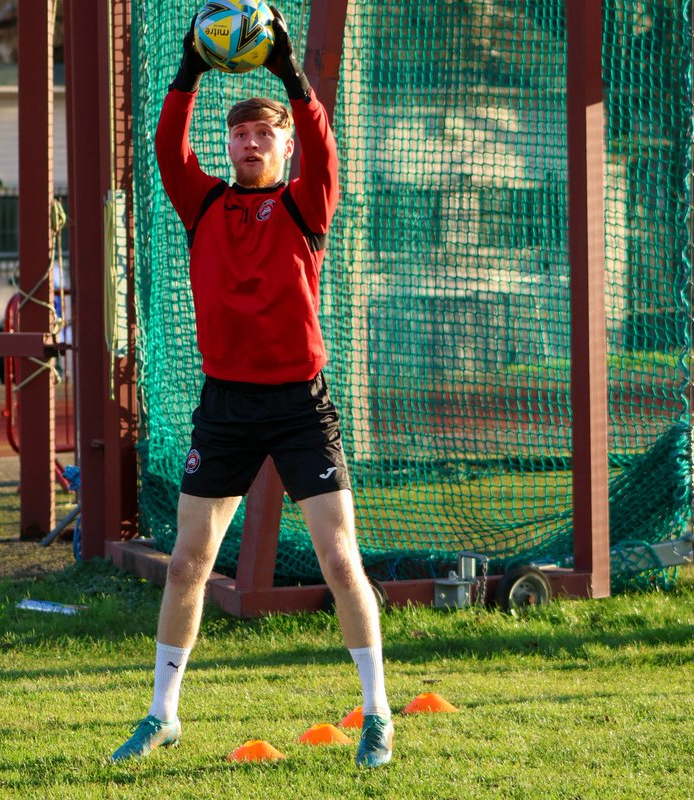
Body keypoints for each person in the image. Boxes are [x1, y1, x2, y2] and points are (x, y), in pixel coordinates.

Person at [110, 11, 393, 769]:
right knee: (186, 562)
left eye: (264, 133)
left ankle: (376, 714)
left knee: (339, 560)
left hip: (300, 404)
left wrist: (293, 76)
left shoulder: (306, 204)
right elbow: (168, 145)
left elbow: (323, 141)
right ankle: (163, 714)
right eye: (240, 134)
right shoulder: (202, 203)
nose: (250, 142)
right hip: (226, 406)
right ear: (227, 145)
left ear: (284, 145)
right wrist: (189, 70)